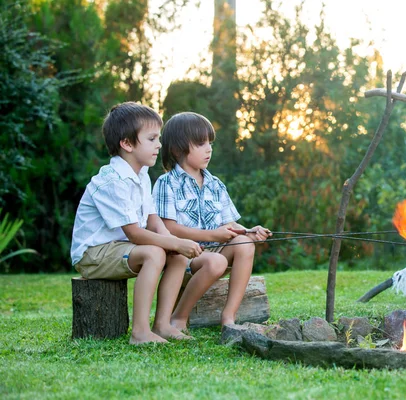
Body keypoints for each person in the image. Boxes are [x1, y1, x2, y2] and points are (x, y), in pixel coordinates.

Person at [70, 102, 203, 345]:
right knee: (154, 254)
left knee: (176, 255)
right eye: (152, 138)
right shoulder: (112, 181)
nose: (159, 145)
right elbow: (134, 234)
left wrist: (175, 244)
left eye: (159, 138)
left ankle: (162, 324)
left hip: (121, 248)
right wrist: (172, 242)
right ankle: (140, 332)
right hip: (94, 254)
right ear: (127, 143)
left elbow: (152, 219)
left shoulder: (141, 174)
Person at [152, 112, 271, 328]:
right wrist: (212, 235)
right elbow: (168, 228)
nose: (209, 149)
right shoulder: (166, 183)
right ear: (177, 149)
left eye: (210, 143)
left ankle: (228, 318)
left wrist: (249, 231)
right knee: (215, 261)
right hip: (183, 257)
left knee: (245, 244)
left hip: (215, 254)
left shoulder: (215, 184)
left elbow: (230, 224)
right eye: (200, 143)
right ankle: (178, 318)